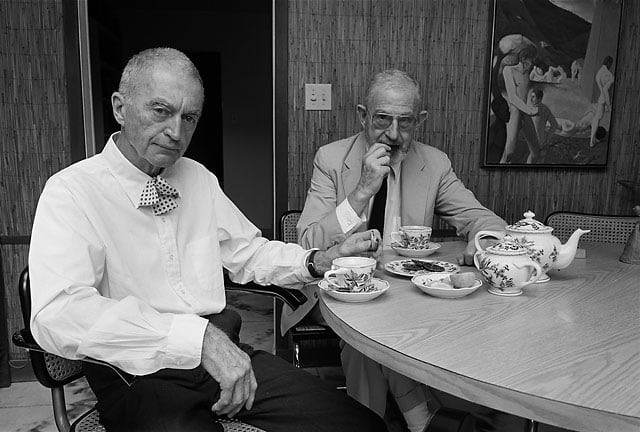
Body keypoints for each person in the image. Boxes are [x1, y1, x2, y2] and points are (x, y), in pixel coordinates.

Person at [28, 47, 388, 432]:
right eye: (160, 111)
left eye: (190, 117)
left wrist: (318, 261)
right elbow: (58, 313)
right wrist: (196, 341)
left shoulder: (198, 177)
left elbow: (247, 251)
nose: (176, 132)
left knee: (359, 425)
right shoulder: (71, 192)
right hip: (136, 376)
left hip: (225, 349)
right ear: (119, 108)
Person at [284, 69, 506, 432]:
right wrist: (362, 190)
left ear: (420, 121)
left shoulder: (433, 163)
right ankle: (421, 416)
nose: (392, 133)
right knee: (366, 338)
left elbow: (483, 220)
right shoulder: (331, 158)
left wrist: (484, 244)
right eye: (382, 119)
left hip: (409, 294)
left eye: (405, 122)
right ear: (362, 115)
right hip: (339, 291)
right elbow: (307, 242)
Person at [500, 46, 539, 163]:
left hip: (525, 114)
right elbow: (513, 97)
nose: (532, 64)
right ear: (523, 59)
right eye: (531, 60)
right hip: (515, 112)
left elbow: (525, 93)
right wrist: (530, 110)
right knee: (509, 152)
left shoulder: (527, 73)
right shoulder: (508, 70)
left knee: (536, 152)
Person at [526, 88, 559, 163]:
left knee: (536, 161)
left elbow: (554, 125)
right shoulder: (529, 108)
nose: (531, 99)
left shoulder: (544, 109)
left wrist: (547, 140)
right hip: (533, 142)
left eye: (533, 97)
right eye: (531, 96)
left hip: (540, 143)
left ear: (539, 98)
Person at [590, 55, 614, 148]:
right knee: (597, 118)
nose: (611, 65)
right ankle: (592, 141)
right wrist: (608, 104)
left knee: (597, 118)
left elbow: (602, 89)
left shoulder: (599, 72)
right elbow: (605, 90)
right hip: (605, 99)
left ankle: (593, 139)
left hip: (601, 98)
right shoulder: (608, 74)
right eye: (611, 63)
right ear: (608, 63)